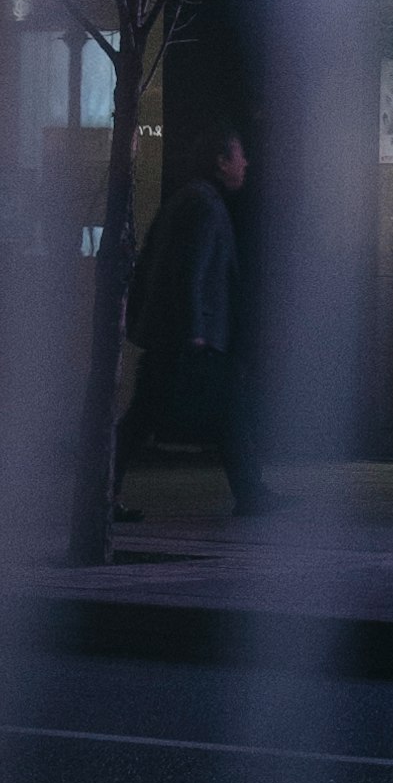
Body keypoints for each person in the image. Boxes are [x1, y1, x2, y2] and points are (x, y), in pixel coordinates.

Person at [115, 122, 273, 518]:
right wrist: (196, 333)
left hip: (173, 334)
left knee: (156, 417)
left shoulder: (189, 199)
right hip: (186, 337)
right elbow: (192, 272)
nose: (246, 164)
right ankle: (251, 495)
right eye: (239, 156)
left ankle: (251, 493)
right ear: (221, 162)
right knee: (152, 418)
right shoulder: (203, 204)